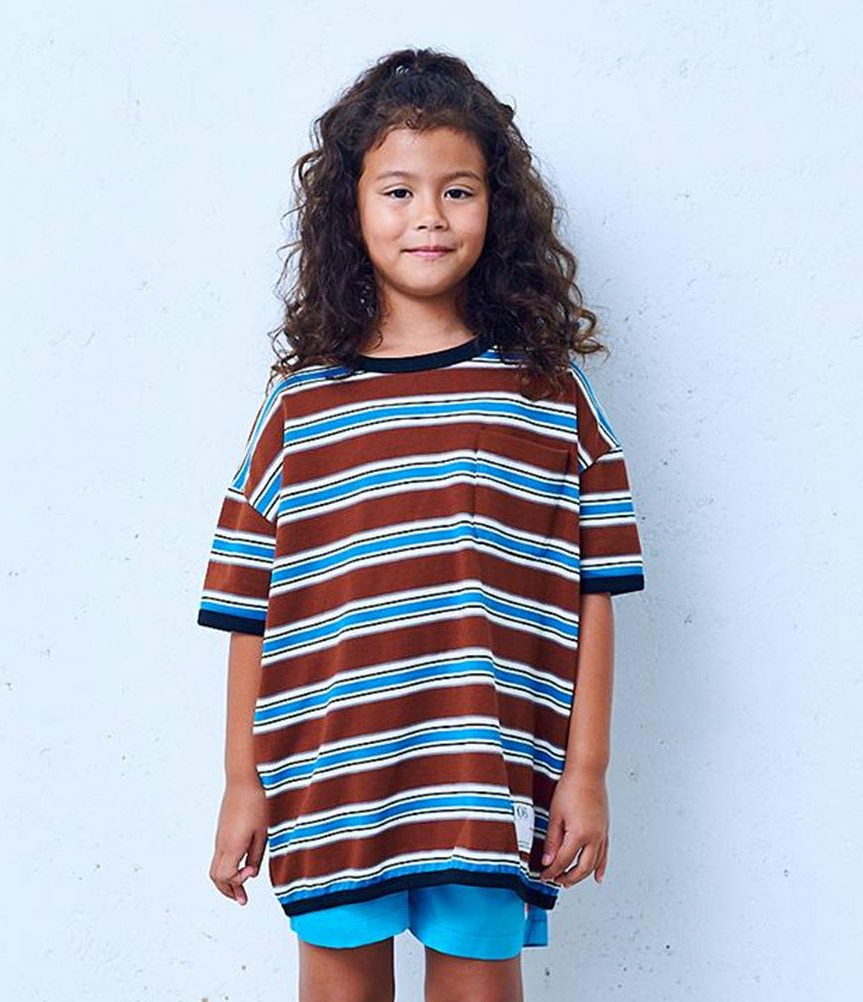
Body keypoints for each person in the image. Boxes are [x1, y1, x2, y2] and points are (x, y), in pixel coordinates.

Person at [197, 47, 646, 1002]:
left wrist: (588, 772)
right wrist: (242, 784)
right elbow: (248, 609)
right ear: (350, 210)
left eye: (458, 191)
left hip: (489, 776)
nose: (430, 216)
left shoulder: (548, 396)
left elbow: (595, 590)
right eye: (399, 191)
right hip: (331, 779)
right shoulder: (302, 408)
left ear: (498, 208)